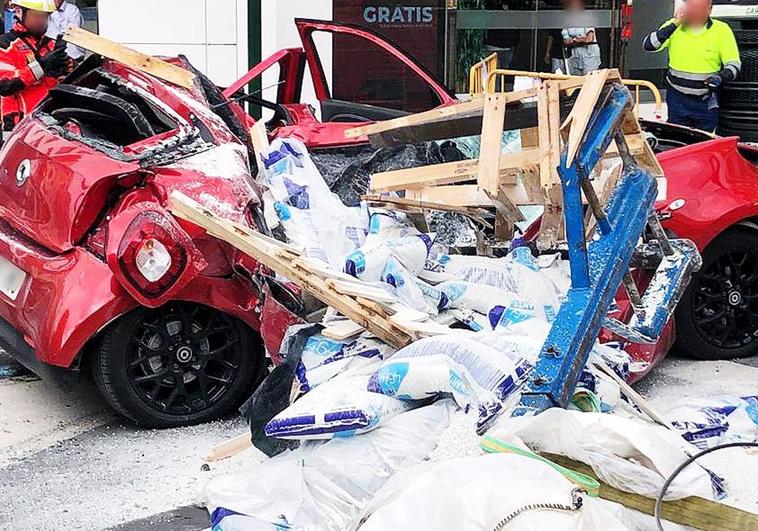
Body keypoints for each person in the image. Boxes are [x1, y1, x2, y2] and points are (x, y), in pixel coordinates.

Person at [643, 0, 741, 132]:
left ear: (709, 10)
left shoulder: (722, 30)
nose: (695, 12)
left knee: (703, 143)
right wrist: (674, 24)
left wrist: (720, 77)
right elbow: (648, 45)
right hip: (678, 98)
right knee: (678, 140)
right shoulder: (673, 26)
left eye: (699, 8)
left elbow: (734, 63)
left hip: (706, 100)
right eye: (691, 7)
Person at [0, 0, 72, 133]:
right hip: (18, 125)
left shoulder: (51, 45)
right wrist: (42, 66)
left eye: (45, 16)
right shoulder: (5, 44)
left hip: (50, 123)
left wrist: (67, 68)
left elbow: (64, 83)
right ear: (20, 13)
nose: (41, 21)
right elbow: (5, 85)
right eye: (36, 16)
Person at [556, 0, 602, 75]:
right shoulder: (567, 20)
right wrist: (567, 40)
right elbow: (565, 36)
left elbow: (589, 39)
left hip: (589, 55)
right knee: (576, 81)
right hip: (575, 55)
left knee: (588, 79)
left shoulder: (587, 18)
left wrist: (576, 40)